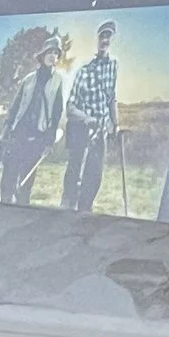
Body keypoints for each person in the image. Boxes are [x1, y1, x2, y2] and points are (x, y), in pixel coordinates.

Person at [0, 46, 67, 205]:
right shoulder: (28, 79)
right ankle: (3, 209)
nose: (53, 56)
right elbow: (14, 108)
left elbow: (57, 112)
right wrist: (4, 133)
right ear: (42, 55)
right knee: (8, 179)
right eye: (50, 52)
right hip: (18, 134)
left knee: (26, 184)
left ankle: (21, 214)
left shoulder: (58, 81)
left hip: (38, 136)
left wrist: (49, 140)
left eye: (56, 53)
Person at [61, 20, 120, 210]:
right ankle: (67, 210)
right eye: (102, 36)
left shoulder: (113, 66)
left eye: (108, 36)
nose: (105, 40)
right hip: (81, 130)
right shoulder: (84, 71)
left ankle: (85, 211)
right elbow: (70, 106)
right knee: (74, 174)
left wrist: (115, 125)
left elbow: (111, 98)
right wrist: (87, 119)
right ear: (97, 39)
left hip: (101, 132)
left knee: (95, 176)